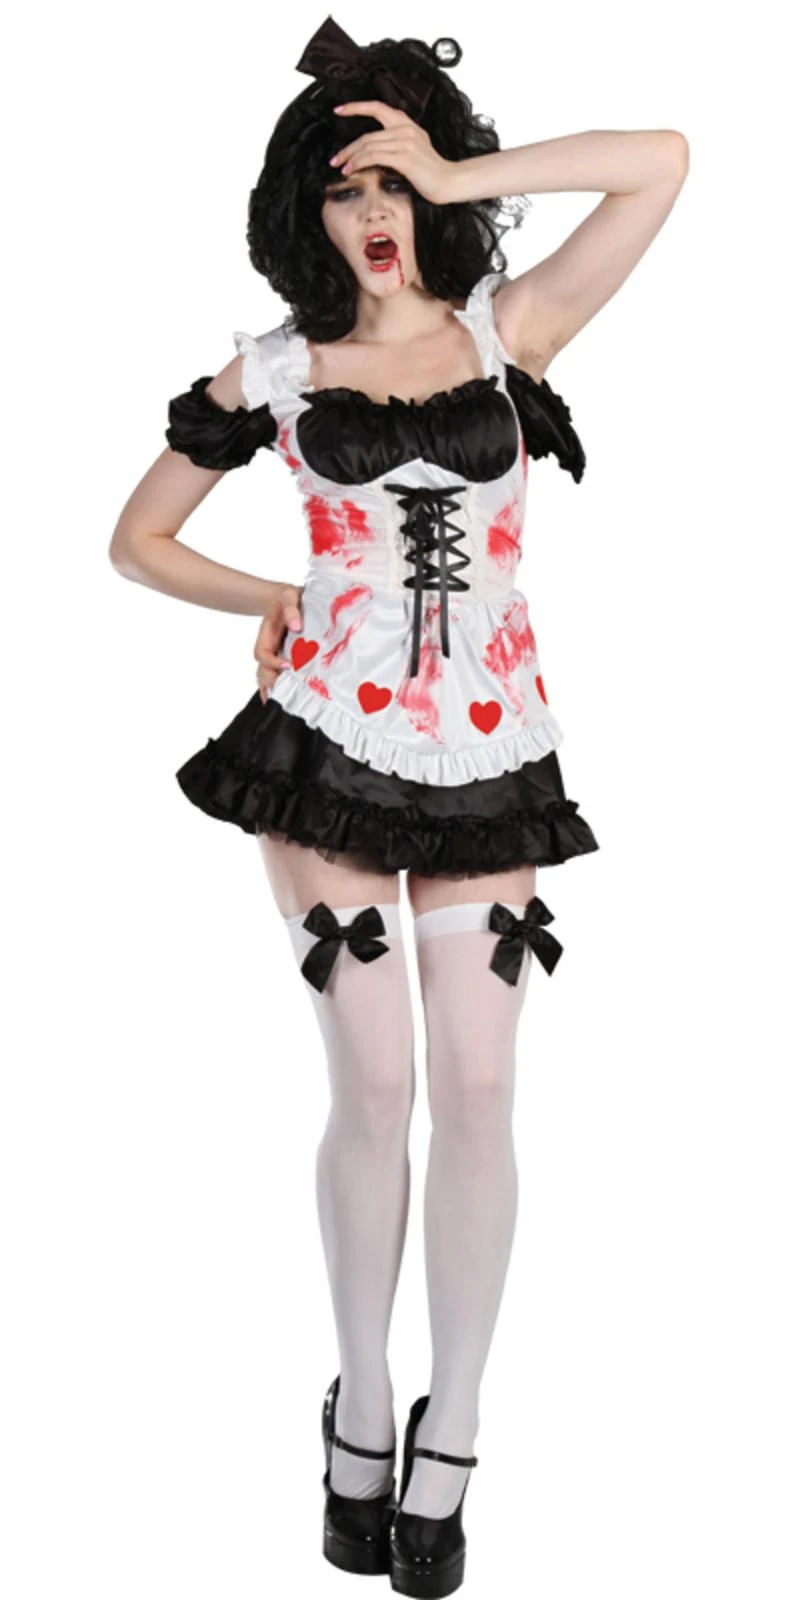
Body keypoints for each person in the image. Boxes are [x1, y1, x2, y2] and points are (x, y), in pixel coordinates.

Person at [109, 16, 689, 1595]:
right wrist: (280, 596)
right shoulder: (279, 370)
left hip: (493, 756)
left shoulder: (515, 333)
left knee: (483, 1091)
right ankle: (361, 1406)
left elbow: (661, 164)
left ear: (432, 192)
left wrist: (449, 160)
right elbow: (136, 540)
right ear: (303, 209)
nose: (371, 212)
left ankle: (456, 1431)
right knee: (376, 1083)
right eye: (343, 187)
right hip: (326, 750)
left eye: (391, 183)